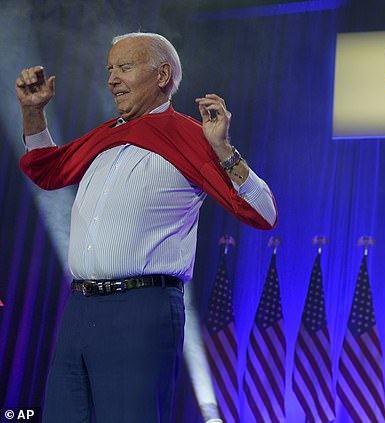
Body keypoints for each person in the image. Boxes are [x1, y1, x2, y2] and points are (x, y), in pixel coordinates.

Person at [15, 32, 278, 422]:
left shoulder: (193, 138)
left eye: (124, 67)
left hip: (140, 310)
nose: (112, 79)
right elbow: (48, 170)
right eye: (109, 70)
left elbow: (264, 213)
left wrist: (222, 148)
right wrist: (34, 113)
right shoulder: (105, 137)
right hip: (80, 310)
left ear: (162, 74)